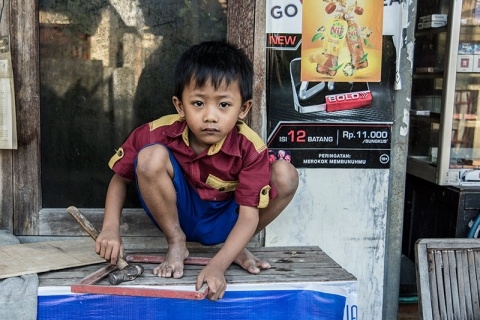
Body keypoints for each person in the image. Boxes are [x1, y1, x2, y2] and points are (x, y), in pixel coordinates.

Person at [96, 40, 299, 301]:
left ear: (243, 109)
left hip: (230, 220)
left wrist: (217, 266)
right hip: (177, 216)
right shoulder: (156, 132)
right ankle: (176, 243)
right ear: (180, 106)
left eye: (224, 105)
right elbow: (120, 179)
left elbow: (249, 216)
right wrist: (110, 228)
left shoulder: (251, 148)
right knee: (150, 158)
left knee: (285, 175)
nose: (210, 116)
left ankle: (233, 247)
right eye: (198, 104)